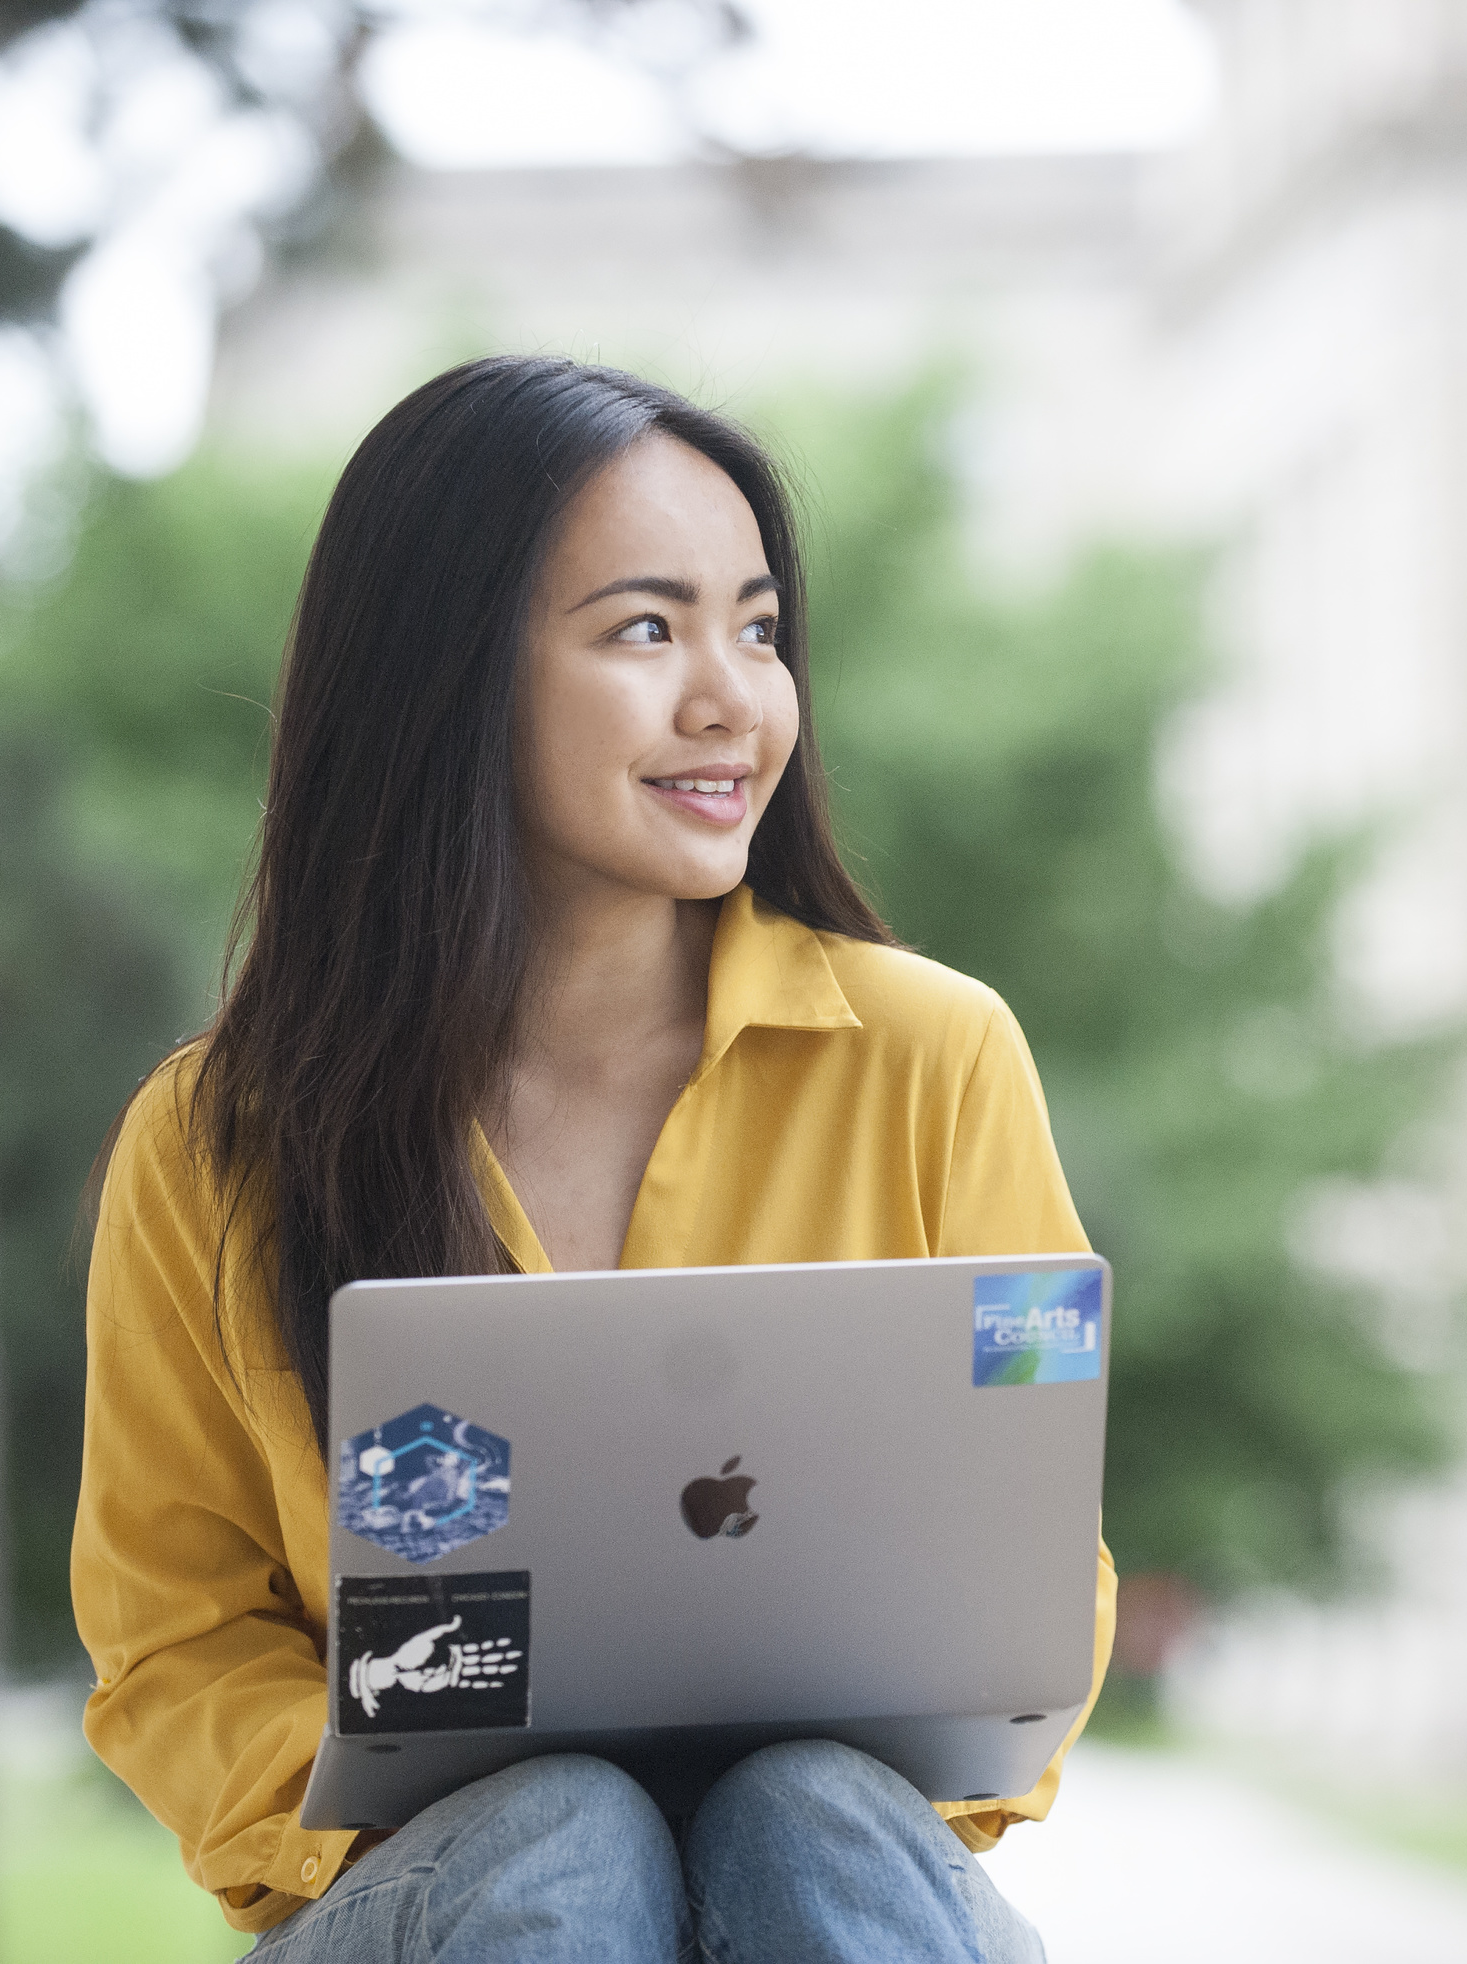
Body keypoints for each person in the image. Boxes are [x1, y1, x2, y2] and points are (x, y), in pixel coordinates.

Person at [71, 356, 1116, 1963]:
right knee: (557, 1844)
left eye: (757, 628)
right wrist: (444, 1801)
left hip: (828, 1868)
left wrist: (825, 1776)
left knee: (811, 1819)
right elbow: (174, 1640)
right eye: (648, 628)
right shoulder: (222, 1141)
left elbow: (1041, 1568)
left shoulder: (936, 1056)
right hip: (433, 1903)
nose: (733, 698)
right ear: (449, 673)